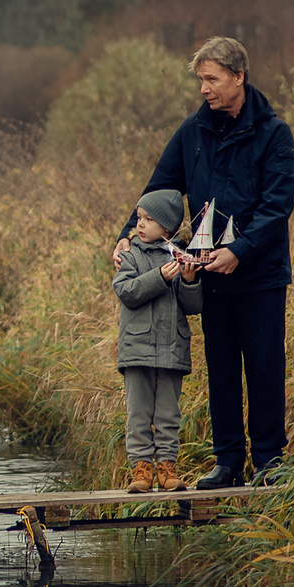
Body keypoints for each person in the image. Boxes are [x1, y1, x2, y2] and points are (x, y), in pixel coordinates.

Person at [114, 36, 294, 489]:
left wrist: (240, 251)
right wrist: (124, 236)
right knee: (220, 369)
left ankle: (270, 462)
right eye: (200, 79)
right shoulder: (191, 133)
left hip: (260, 275)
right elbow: (158, 188)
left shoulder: (275, 135)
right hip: (208, 277)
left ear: (239, 77)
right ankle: (229, 462)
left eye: (212, 79)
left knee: (263, 367)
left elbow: (278, 205)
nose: (204, 89)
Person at [113, 188, 201, 492]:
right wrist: (160, 278)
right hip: (136, 351)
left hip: (171, 350)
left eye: (148, 219)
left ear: (167, 227)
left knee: (168, 414)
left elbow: (193, 307)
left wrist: (189, 280)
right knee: (138, 415)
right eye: (139, 217)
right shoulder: (131, 254)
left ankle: (167, 468)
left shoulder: (180, 256)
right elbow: (126, 292)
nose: (140, 224)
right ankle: (141, 470)